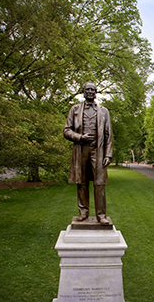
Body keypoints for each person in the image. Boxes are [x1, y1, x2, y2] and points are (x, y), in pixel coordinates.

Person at [63, 82, 113, 225]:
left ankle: (101, 215)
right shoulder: (75, 110)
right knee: (82, 182)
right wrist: (79, 137)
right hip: (81, 149)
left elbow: (109, 134)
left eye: (92, 89)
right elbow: (66, 130)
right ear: (83, 92)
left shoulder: (104, 111)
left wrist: (108, 154)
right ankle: (83, 212)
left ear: (96, 92)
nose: (90, 92)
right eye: (87, 89)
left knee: (99, 183)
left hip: (98, 150)